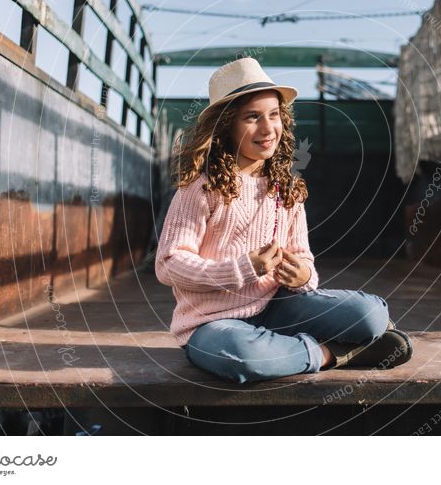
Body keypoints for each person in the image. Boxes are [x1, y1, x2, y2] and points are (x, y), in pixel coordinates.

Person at [155, 56, 412, 384]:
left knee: (372, 314)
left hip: (277, 309)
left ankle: (289, 350)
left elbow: (305, 261)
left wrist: (301, 274)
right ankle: (332, 353)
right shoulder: (201, 189)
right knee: (243, 356)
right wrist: (245, 268)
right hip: (211, 323)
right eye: (252, 117)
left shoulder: (286, 189)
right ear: (226, 125)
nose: (267, 128)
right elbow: (169, 264)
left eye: (274, 115)